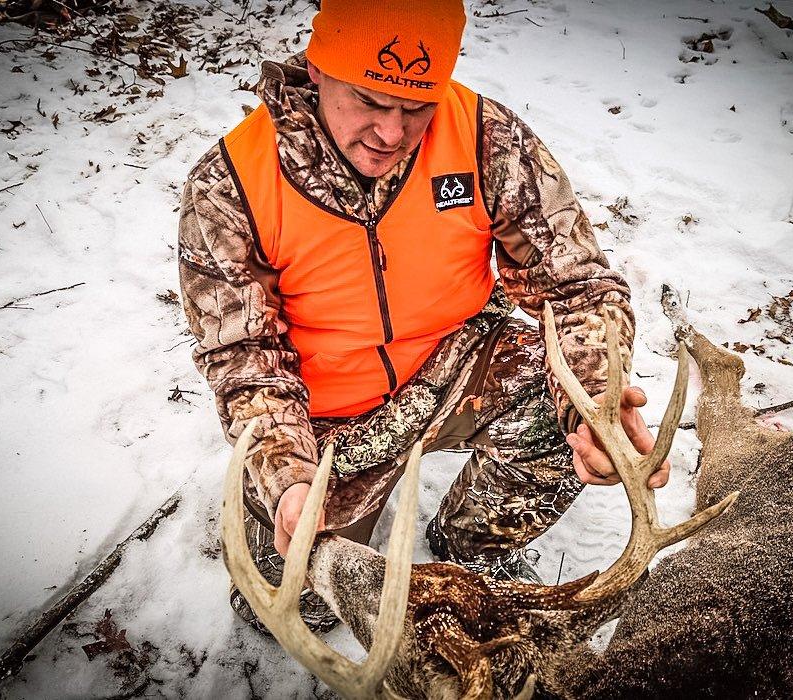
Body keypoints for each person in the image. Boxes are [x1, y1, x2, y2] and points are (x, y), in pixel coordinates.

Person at [178, 0, 668, 634]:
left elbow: (575, 284)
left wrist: (595, 400)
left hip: (459, 361)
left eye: (416, 107)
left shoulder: (484, 136)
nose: (391, 133)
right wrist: (289, 476)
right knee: (292, 603)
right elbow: (243, 360)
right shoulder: (231, 187)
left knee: (561, 398)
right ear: (318, 69)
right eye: (370, 100)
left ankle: (475, 549)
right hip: (326, 421)